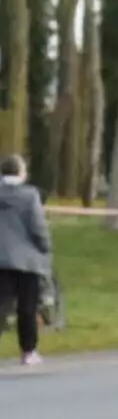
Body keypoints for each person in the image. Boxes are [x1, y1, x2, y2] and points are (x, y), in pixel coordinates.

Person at [0, 155, 52, 366]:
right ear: (21, 172)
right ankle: (28, 351)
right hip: (26, 261)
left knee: (1, 305)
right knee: (27, 307)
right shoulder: (30, 196)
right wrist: (45, 247)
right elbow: (37, 226)